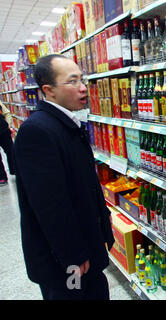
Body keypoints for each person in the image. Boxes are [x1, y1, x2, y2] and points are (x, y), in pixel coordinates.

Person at [14, 54, 115, 300]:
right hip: (66, 265)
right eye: (72, 82)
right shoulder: (37, 131)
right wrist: (72, 257)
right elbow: (50, 206)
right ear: (48, 90)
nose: (82, 87)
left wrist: (103, 225)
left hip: (86, 251)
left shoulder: (64, 123)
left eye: (82, 79)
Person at [0, 101, 15, 185]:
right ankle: (2, 177)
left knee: (10, 150)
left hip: (3, 129)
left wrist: (8, 125)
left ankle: (14, 169)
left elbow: (7, 113)